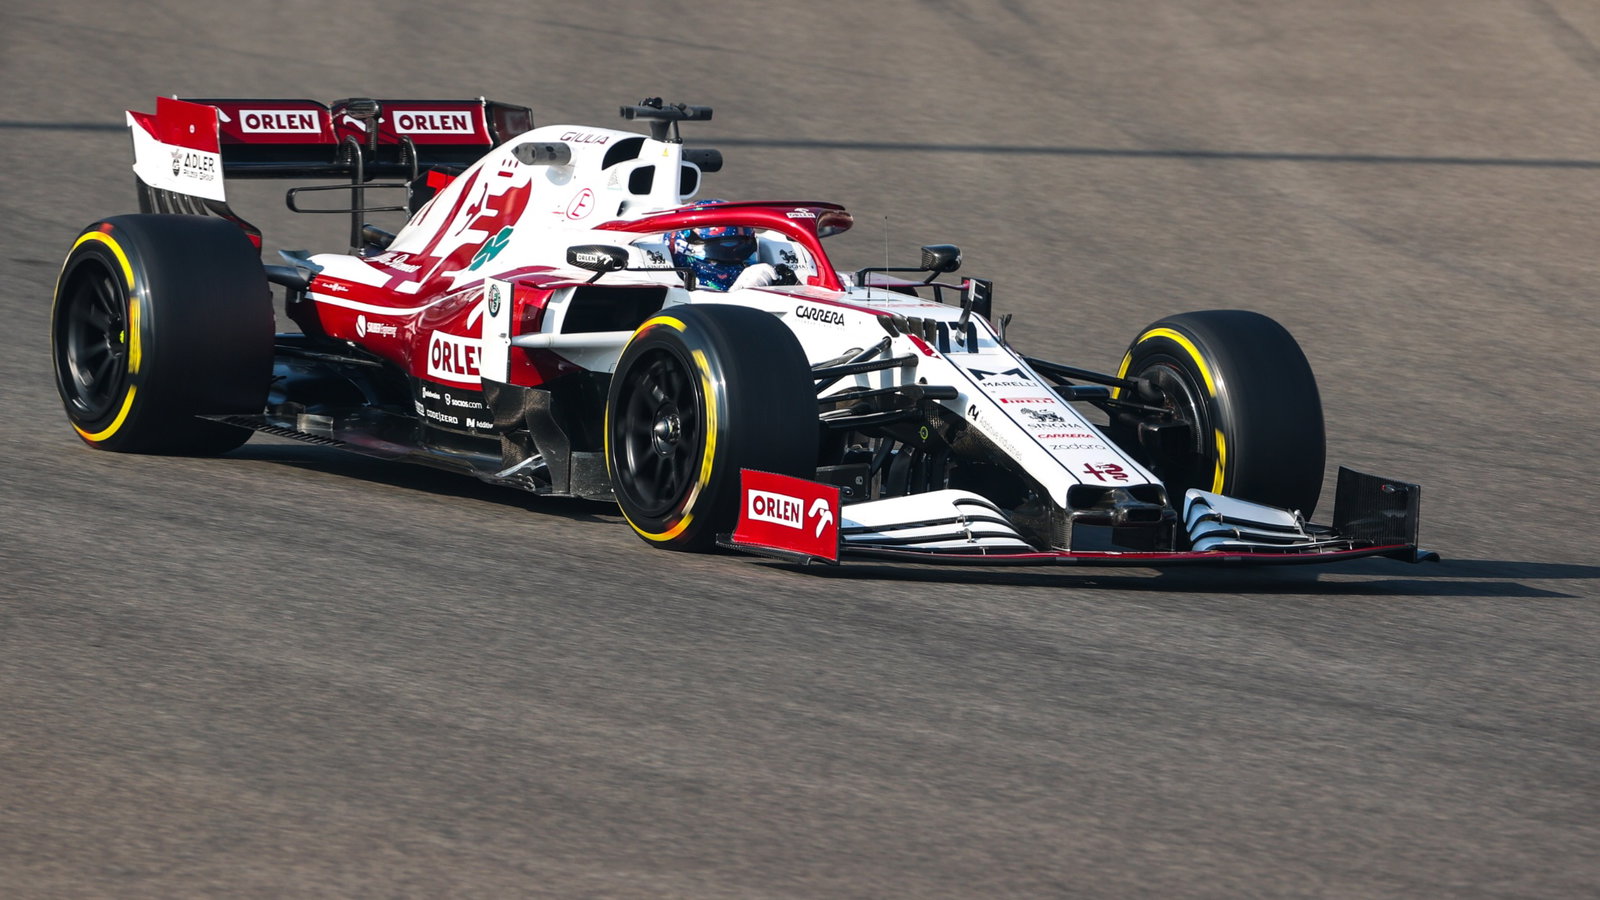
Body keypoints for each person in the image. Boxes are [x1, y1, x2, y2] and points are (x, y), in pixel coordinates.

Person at [667, 200, 793, 291]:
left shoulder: (758, 275)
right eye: (725, 249)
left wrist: (786, 281)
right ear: (684, 248)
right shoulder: (665, 290)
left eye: (742, 248)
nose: (736, 255)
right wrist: (741, 294)